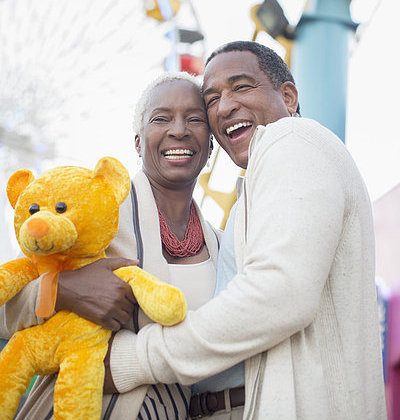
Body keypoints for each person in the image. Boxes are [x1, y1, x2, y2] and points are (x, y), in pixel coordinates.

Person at [103, 41, 386, 420]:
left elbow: (279, 292)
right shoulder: (247, 204)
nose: (224, 106)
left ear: (288, 96)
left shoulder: (291, 139)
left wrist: (133, 359)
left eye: (241, 87)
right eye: (213, 97)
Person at [0, 72, 220, 420]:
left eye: (195, 119)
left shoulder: (222, 245)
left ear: (211, 143)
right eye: (161, 118)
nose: (179, 130)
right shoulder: (90, 216)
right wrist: (60, 291)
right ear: (137, 142)